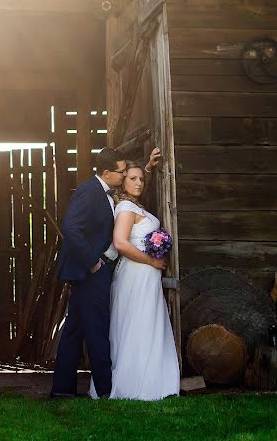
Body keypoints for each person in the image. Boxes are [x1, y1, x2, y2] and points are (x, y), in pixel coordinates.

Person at [90, 151, 181, 401]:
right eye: (133, 178)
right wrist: (152, 259)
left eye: (141, 179)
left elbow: (141, 183)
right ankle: (131, 385)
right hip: (136, 274)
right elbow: (120, 243)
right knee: (135, 324)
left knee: (145, 323)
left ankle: (152, 379)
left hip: (145, 276)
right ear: (123, 181)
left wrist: (149, 167)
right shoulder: (126, 207)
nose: (139, 183)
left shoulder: (135, 204)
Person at [50, 148, 127, 399]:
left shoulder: (104, 191)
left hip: (88, 273)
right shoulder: (89, 190)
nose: (125, 175)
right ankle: (105, 391)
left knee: (75, 329)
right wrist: (92, 261)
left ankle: (62, 389)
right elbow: (71, 228)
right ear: (106, 172)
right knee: (96, 328)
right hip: (90, 273)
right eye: (122, 172)